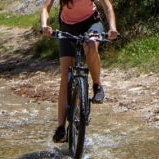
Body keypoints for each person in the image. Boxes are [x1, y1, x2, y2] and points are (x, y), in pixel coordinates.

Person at [40, 0, 118, 143]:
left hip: (91, 23)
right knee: (65, 74)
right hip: (68, 27)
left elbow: (107, 6)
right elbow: (46, 7)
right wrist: (45, 26)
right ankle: (61, 128)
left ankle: (97, 85)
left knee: (91, 44)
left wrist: (112, 28)